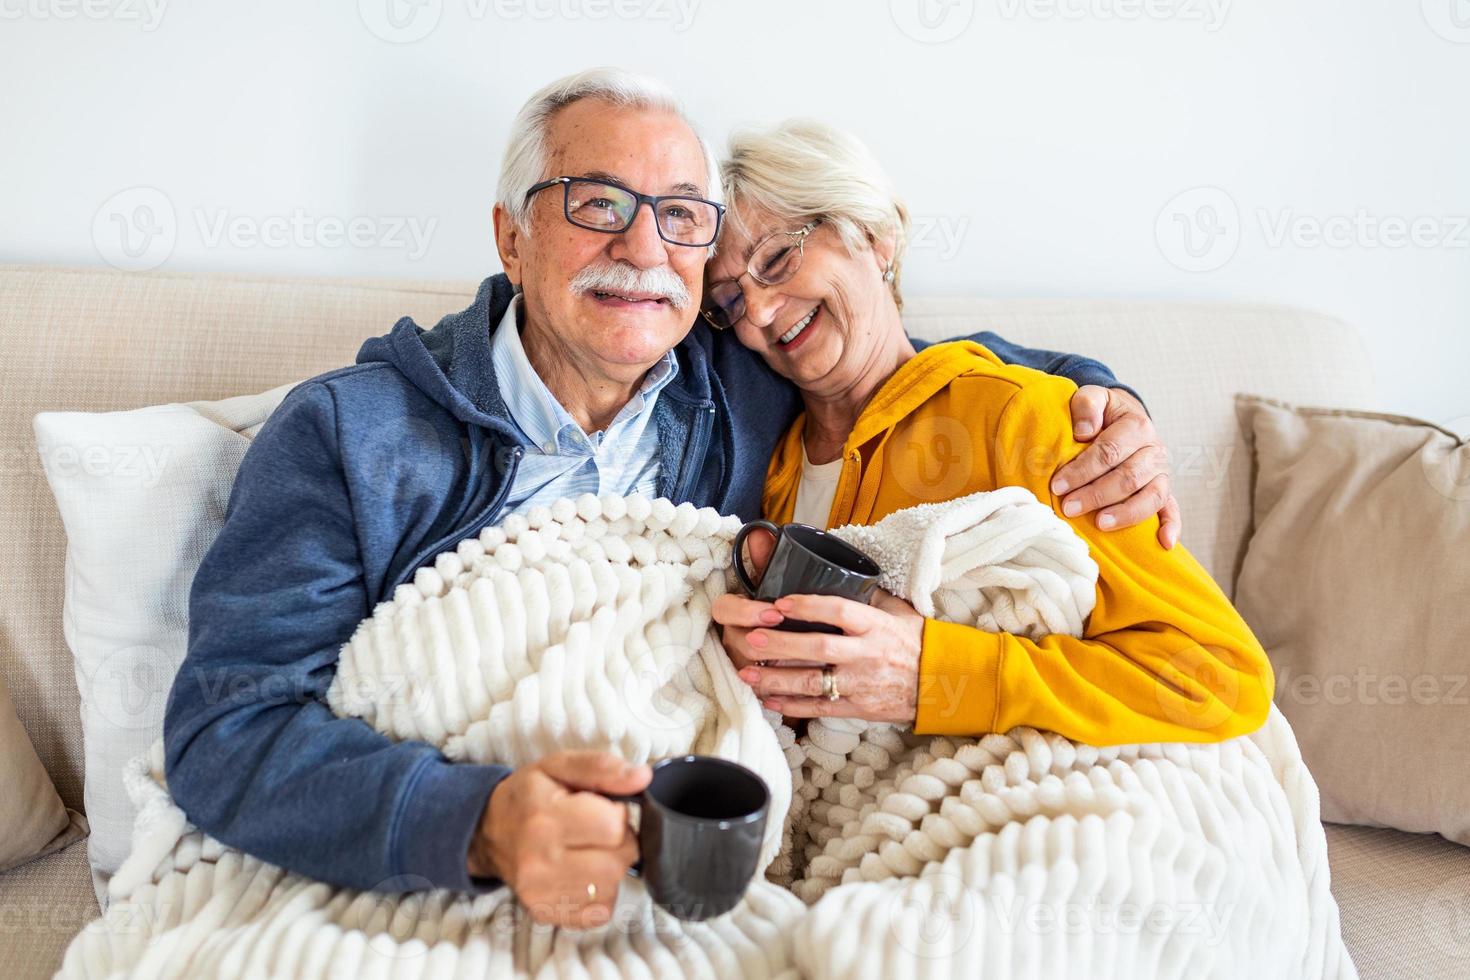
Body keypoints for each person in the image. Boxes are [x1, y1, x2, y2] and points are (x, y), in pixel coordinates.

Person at [164, 69, 1180, 930]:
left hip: (695, 861)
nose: (644, 248)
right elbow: (227, 727)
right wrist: (477, 822)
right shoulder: (351, 434)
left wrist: (1104, 401)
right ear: (511, 238)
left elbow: (904, 362)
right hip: (452, 854)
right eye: (598, 202)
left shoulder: (741, 378)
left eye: (682, 217)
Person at [709, 119, 1272, 744]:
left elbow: (1221, 679)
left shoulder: (1020, 416)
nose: (757, 313)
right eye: (730, 301)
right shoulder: (772, 470)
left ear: (875, 238)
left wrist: (937, 675)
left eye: (778, 259)